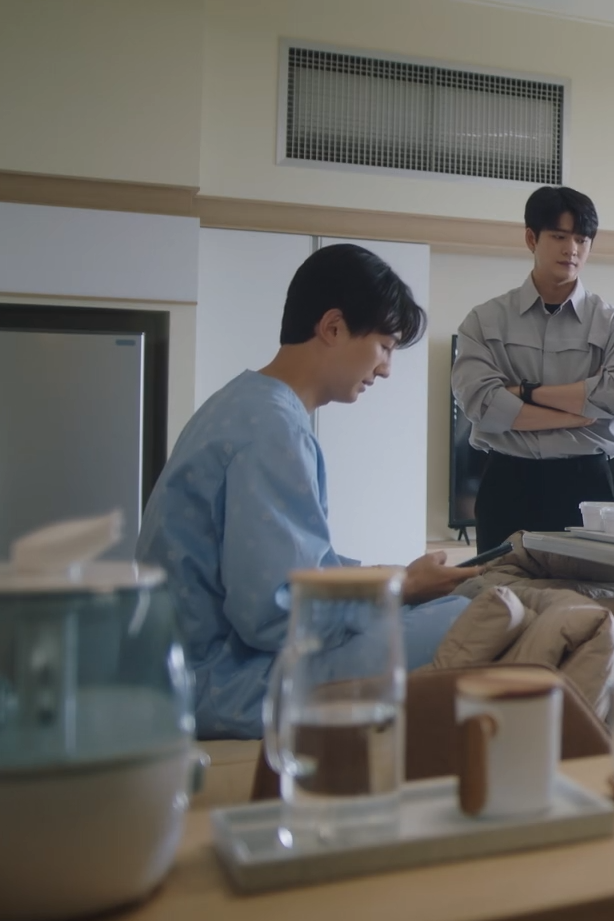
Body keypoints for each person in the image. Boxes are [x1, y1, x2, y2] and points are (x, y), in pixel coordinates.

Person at [137, 244, 481, 739]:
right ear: (333, 327)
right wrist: (400, 589)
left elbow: (297, 570)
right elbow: (274, 616)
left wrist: (397, 580)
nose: (386, 367)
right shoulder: (274, 430)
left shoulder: (241, 402)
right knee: (470, 617)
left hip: (185, 670)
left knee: (437, 606)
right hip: (224, 682)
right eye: (385, 345)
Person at [452, 186, 614, 553]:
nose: (571, 249)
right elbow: (481, 404)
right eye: (558, 236)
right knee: (502, 587)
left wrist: (524, 393)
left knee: (586, 587)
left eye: (581, 240)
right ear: (531, 238)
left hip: (586, 484)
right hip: (507, 480)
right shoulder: (484, 320)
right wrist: (574, 416)